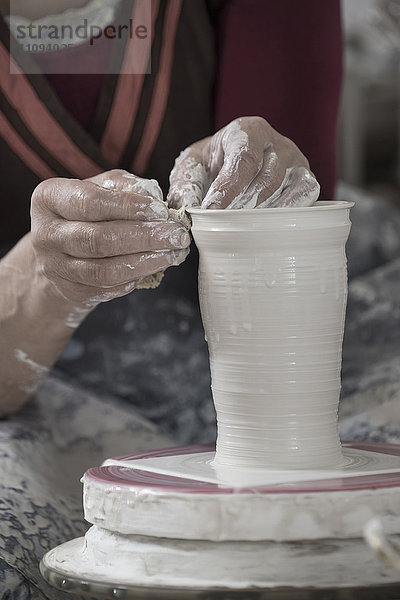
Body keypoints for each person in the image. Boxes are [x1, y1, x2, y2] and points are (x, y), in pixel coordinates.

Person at [0, 0, 342, 419]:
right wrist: (46, 278)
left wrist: (250, 195)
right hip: (27, 375)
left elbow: (297, 270)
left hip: (243, 364)